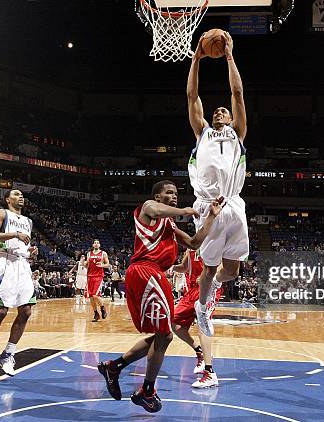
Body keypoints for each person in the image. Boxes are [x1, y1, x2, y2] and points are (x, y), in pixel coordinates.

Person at [97, 180, 223, 413]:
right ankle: (146, 390)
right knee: (165, 335)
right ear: (157, 196)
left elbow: (194, 243)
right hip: (145, 270)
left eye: (176, 193)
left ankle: (115, 367)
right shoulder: (148, 209)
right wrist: (186, 211)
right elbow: (154, 209)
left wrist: (211, 218)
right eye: (169, 193)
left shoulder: (169, 225)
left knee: (162, 336)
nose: (174, 196)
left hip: (156, 275)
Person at [187, 30, 248, 336]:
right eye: (217, 111)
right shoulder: (203, 133)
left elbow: (237, 93)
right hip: (209, 203)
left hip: (234, 203)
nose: (220, 111)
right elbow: (192, 96)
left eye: (223, 110)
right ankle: (202, 306)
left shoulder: (237, 132)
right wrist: (197, 59)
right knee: (209, 268)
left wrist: (229, 56)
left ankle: (205, 290)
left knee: (233, 270)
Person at [0, 189, 38, 378]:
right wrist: (15, 235)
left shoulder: (28, 221)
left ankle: (7, 355)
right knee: (2, 311)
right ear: (7, 199)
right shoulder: (2, 213)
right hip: (5, 262)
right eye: (16, 194)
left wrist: (31, 252)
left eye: (21, 195)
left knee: (26, 311)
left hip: (22, 263)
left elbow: (24, 245)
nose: (21, 197)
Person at [171, 248, 222, 388]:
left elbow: (224, 267)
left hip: (208, 288)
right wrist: (170, 266)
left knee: (203, 327)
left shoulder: (215, 244)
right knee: (174, 322)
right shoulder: (191, 249)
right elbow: (183, 267)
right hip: (192, 291)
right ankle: (199, 350)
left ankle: (210, 372)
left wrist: (209, 276)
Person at [86, 239, 110, 321]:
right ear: (93, 245)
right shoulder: (89, 254)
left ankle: (103, 309)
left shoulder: (103, 253)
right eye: (95, 243)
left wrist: (102, 265)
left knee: (95, 295)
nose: (96, 244)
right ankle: (96, 314)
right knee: (91, 297)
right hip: (89, 276)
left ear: (99, 245)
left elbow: (108, 264)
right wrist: (84, 264)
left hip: (98, 276)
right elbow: (87, 265)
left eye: (97, 243)